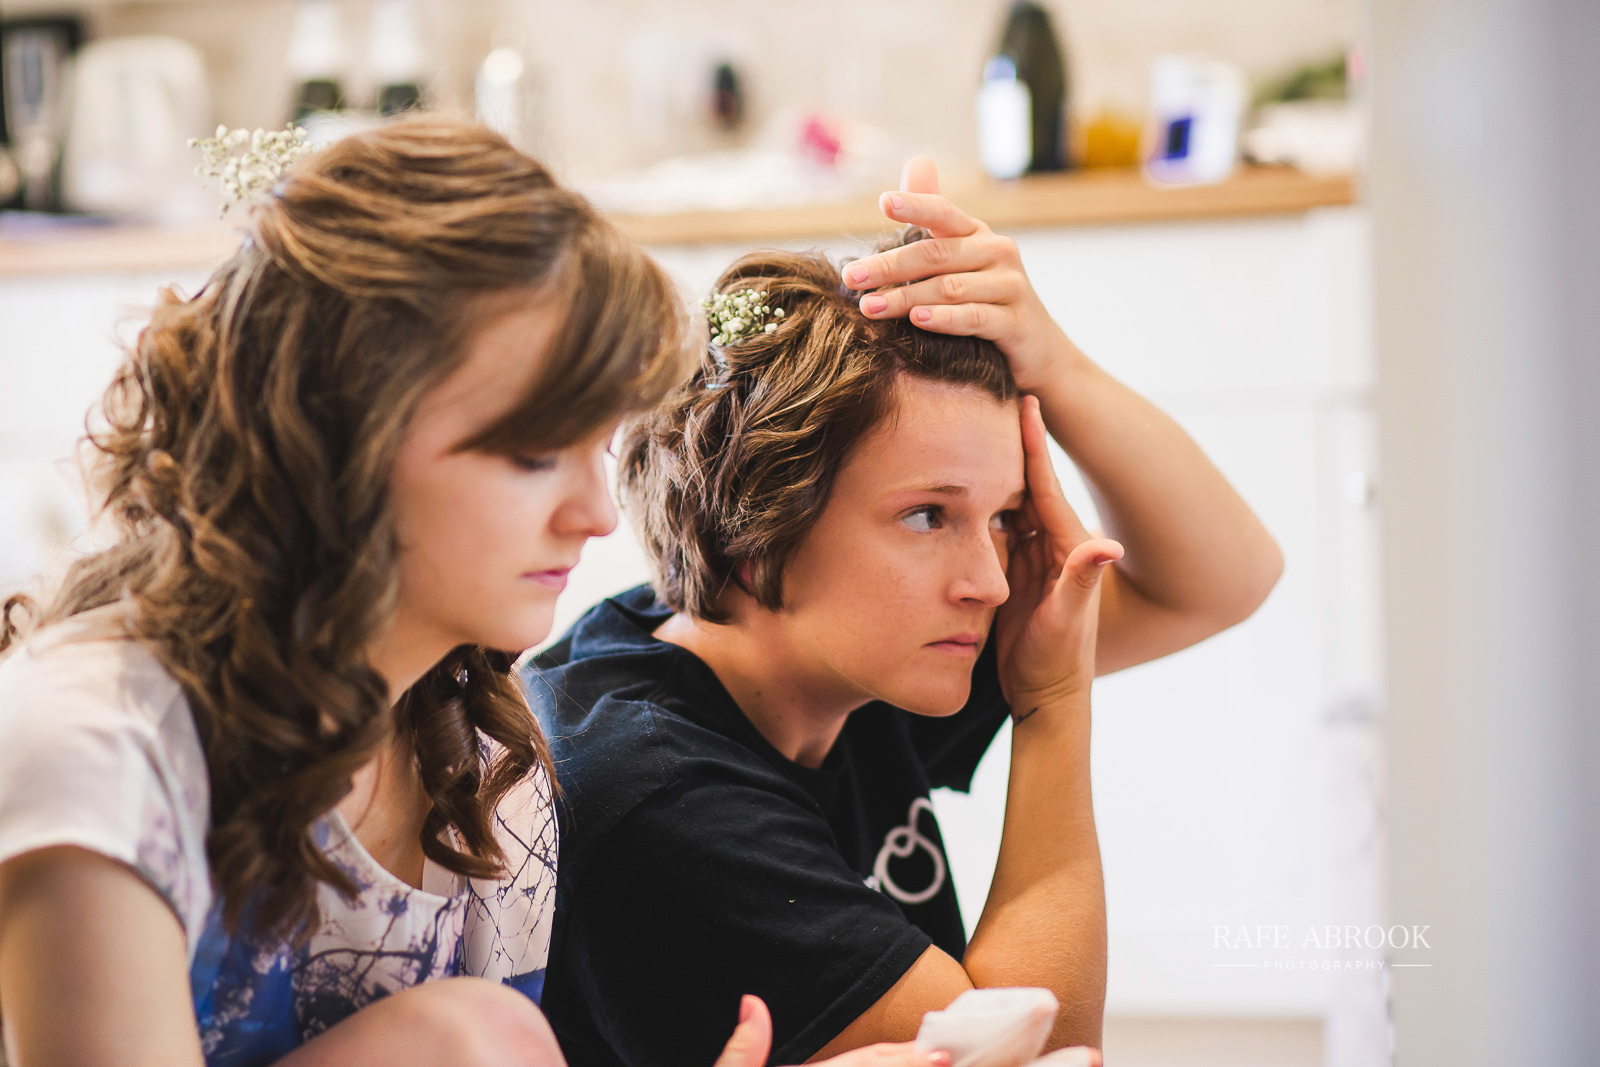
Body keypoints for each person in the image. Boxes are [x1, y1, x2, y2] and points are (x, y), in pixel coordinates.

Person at [0, 116, 946, 1067]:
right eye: (535, 452)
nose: (595, 513)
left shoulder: (491, 768)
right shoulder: (103, 747)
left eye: (599, 448)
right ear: (341, 433)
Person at [525, 163, 1285, 1067]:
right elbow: (1042, 1051)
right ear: (757, 532)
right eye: (927, 515)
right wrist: (1053, 703)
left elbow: (1225, 575)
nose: (991, 582)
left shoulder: (821, 636)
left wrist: (1059, 365)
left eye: (1004, 517)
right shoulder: (653, 792)